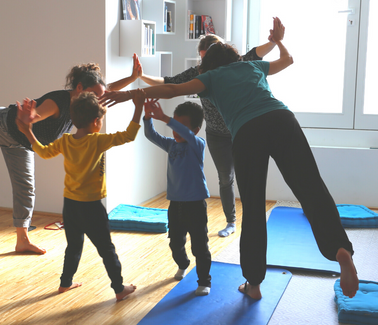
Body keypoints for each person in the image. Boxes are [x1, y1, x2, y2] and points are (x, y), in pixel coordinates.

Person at [100, 17, 359, 300]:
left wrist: (130, 95)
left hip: (248, 132)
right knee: (311, 188)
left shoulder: (210, 77)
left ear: (209, 64)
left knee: (253, 206)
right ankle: (340, 250)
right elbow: (288, 60)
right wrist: (279, 40)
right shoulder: (252, 65)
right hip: (282, 119)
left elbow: (173, 89)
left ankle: (254, 284)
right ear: (235, 56)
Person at [0, 56, 143, 255]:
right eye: (94, 93)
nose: (99, 99)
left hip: (21, 143)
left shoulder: (84, 102)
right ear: (79, 88)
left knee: (25, 188)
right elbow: (38, 114)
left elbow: (109, 90)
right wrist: (31, 118)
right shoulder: (58, 101)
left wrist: (132, 78)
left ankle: (22, 240)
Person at [138, 28, 284, 238]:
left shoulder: (238, 63)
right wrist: (140, 76)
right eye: (203, 59)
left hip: (240, 129)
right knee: (225, 178)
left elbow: (258, 54)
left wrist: (274, 41)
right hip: (217, 134)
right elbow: (169, 83)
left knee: (247, 177)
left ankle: (252, 222)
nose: (206, 64)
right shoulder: (199, 72)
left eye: (209, 58)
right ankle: (231, 221)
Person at [15, 88, 145, 300]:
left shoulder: (65, 141)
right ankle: (119, 289)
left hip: (70, 205)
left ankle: (65, 284)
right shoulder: (97, 141)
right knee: (106, 249)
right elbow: (129, 135)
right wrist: (138, 106)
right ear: (96, 121)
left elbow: (44, 152)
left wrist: (28, 131)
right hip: (92, 206)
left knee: (74, 246)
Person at [143, 99, 212, 296]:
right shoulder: (171, 145)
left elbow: (187, 135)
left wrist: (164, 118)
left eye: (180, 126)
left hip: (196, 205)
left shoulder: (197, 144)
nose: (174, 130)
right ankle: (183, 264)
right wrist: (148, 117)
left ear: (196, 129)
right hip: (176, 204)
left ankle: (204, 281)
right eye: (174, 123)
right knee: (175, 242)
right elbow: (151, 134)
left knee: (200, 245)